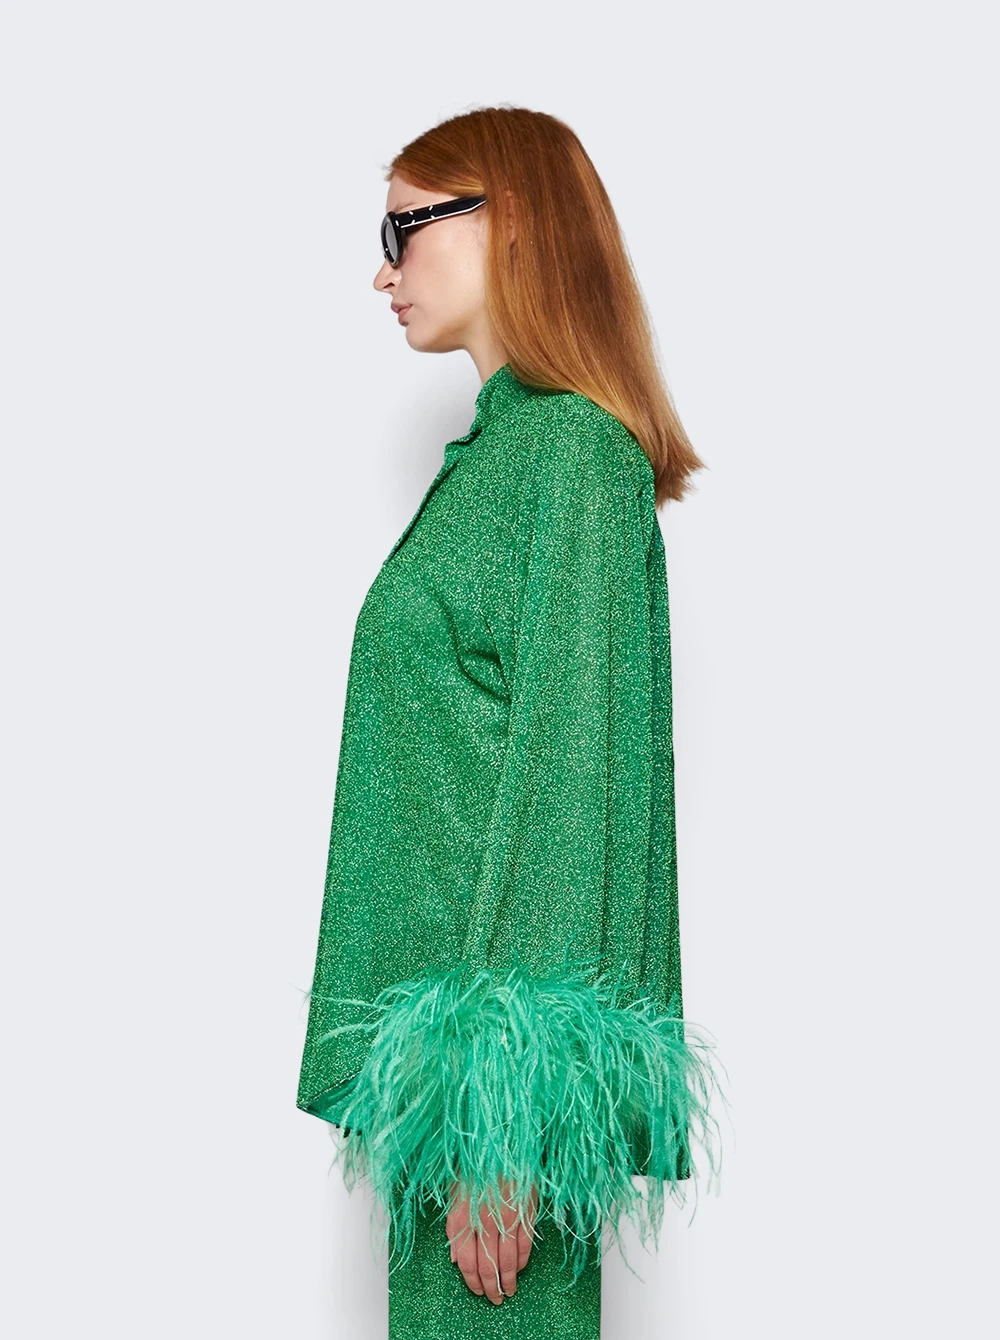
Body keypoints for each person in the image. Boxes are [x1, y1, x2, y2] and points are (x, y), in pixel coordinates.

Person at [296, 104, 726, 1339]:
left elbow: (572, 779)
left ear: (513, 221)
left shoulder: (571, 457)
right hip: (440, 1097)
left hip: (492, 1119)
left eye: (405, 228)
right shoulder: (499, 458)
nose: (382, 269)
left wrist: (510, 1119)